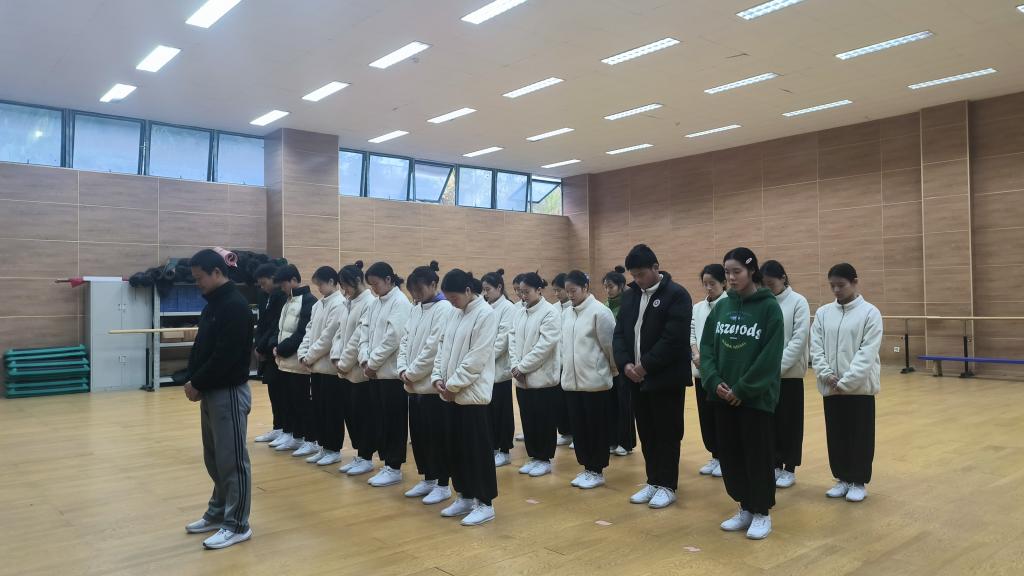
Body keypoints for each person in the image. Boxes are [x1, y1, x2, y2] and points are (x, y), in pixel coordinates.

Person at [700, 247, 784, 540]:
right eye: (727, 272)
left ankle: (762, 512)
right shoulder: (722, 307)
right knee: (731, 455)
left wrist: (743, 389)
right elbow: (707, 348)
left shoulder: (769, 308)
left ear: (751, 271)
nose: (732, 277)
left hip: (754, 399)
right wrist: (713, 380)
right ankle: (745, 507)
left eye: (737, 271)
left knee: (757, 456)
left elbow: (770, 356)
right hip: (722, 396)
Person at [181, 248, 255, 550]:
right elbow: (202, 347)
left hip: (229, 392)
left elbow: (226, 355)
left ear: (216, 272)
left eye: (200, 277)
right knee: (214, 458)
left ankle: (237, 524)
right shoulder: (213, 304)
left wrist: (198, 381)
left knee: (232, 460)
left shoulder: (235, 306)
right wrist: (192, 378)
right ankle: (218, 512)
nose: (197, 283)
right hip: (211, 390)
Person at [613, 244, 692, 509]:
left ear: (656, 268)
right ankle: (653, 480)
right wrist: (625, 364)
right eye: (633, 275)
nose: (637, 280)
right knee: (646, 431)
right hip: (635, 378)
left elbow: (673, 339)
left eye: (641, 274)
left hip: (665, 378)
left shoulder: (676, 295)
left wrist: (644, 366)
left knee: (667, 432)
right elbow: (619, 334)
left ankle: (668, 485)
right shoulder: (630, 296)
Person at [431, 269, 500, 526]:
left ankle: (485, 502)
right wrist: (437, 377)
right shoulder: (453, 313)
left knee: (476, 450)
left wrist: (453, 385)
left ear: (469, 291)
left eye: (454, 298)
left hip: (472, 395)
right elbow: (442, 347)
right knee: (456, 448)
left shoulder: (486, 314)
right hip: (449, 393)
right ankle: (465, 495)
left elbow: (477, 358)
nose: (451, 302)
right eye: (448, 298)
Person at [811, 263, 882, 504]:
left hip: (859, 389)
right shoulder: (823, 313)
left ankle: (858, 481)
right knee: (836, 434)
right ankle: (841, 478)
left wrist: (847, 381)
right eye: (832, 286)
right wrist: (826, 374)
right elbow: (816, 346)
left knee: (860, 435)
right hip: (831, 386)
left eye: (841, 285)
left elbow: (867, 352)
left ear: (855, 282)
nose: (836, 290)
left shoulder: (870, 313)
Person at [398, 261, 455, 505]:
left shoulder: (444, 309)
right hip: (412, 384)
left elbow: (433, 348)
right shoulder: (416, 308)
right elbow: (405, 340)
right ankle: (428, 478)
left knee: (436, 437)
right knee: (420, 436)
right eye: (412, 292)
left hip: (431, 386)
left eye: (419, 290)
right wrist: (402, 368)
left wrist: (411, 372)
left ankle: (442, 484)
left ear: (433, 285)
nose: (416, 295)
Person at [561, 270, 617, 489]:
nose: (570, 295)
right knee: (580, 429)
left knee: (596, 429)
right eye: (567, 291)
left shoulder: (600, 312)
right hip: (572, 383)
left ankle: (597, 470)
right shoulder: (566, 313)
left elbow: (610, 346)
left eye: (573, 291)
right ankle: (587, 468)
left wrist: (611, 370)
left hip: (595, 383)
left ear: (585, 288)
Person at [359, 262, 413, 487]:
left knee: (394, 422)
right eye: (370, 285)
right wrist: (364, 358)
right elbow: (364, 331)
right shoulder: (375, 303)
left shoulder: (400, 302)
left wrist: (372, 362)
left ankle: (394, 466)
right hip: (374, 372)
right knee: (379, 419)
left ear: (389, 280)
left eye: (376, 284)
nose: (373, 289)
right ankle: (386, 464)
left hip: (390, 374)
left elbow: (394, 338)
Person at [762, 260, 810, 489]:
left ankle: (789, 468)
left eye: (771, 284)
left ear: (783, 278)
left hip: (789, 376)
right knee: (769, 423)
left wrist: (775, 369)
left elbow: (798, 341)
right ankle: (773, 464)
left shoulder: (798, 302)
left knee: (790, 424)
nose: (767, 288)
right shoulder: (763, 302)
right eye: (763, 284)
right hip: (765, 377)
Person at [509, 272, 562, 477]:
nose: (522, 296)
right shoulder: (520, 312)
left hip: (542, 379)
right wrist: (515, 365)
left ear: (539, 290)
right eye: (520, 292)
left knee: (544, 420)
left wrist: (522, 367)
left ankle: (545, 459)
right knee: (528, 419)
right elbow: (512, 339)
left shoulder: (550, 313)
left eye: (526, 292)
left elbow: (545, 346)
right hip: (522, 378)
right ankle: (534, 456)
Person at [330, 261, 376, 475]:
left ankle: (366, 457)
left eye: (346, 285)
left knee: (363, 417)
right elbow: (339, 333)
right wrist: (335, 356)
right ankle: (360, 455)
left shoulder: (369, 302)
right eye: (341, 286)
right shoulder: (347, 303)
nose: (344, 290)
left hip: (358, 372)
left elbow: (359, 337)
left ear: (358, 280)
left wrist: (344, 363)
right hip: (344, 370)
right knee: (350, 415)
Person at [297, 266, 346, 466]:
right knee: (319, 409)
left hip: (330, 369)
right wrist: (303, 353)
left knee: (332, 411)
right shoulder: (318, 305)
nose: (319, 288)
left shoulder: (340, 304)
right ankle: (324, 446)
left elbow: (328, 338)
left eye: (321, 284)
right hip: (316, 367)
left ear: (333, 282)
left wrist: (309, 357)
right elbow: (309, 331)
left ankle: (334, 449)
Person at [272, 265, 317, 457]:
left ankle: (310, 439)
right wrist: (276, 346)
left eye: (283, 284)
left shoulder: (308, 300)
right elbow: (281, 329)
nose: (282, 288)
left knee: (302, 403)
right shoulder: (288, 300)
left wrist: (282, 349)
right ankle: (295, 436)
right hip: (284, 362)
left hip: (299, 363)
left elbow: (303, 332)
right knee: (289, 402)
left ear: (293, 280)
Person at [691, 264, 728, 477]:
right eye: (705, 284)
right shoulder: (698, 307)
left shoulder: (730, 305)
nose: (708, 288)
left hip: (720, 373)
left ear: (723, 283)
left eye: (712, 283)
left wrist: (707, 361)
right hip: (700, 370)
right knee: (706, 417)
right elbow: (692, 333)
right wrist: (696, 354)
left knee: (721, 417)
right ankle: (715, 455)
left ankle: (726, 456)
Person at [481, 269, 517, 467]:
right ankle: (492, 446)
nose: (485, 293)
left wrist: (482, 360)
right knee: (488, 412)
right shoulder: (486, 307)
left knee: (502, 412)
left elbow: (502, 340)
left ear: (499, 288)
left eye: (488, 289)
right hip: (485, 370)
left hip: (500, 370)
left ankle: (504, 449)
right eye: (484, 290)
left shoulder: (508, 308)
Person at [253, 263, 288, 445]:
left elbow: (276, 325)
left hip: (276, 349)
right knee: (273, 391)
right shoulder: (263, 296)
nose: (262, 287)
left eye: (264, 283)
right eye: (260, 284)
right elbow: (262, 323)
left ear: (274, 279)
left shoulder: (282, 296)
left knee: (282, 392)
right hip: (265, 348)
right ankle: (278, 427)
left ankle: (286, 429)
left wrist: (263, 347)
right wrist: (257, 345)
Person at [603, 265, 635, 456]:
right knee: (610, 402)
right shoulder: (604, 306)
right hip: (607, 361)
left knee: (625, 403)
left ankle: (626, 442)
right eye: (606, 287)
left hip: (624, 360)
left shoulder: (628, 304)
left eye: (611, 286)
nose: (608, 290)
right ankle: (612, 439)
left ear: (621, 286)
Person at [551, 272, 574, 448]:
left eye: (559, 290)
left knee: (572, 401)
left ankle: (576, 433)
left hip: (571, 361)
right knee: (559, 402)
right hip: (556, 362)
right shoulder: (553, 309)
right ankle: (565, 432)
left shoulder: (573, 307)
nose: (557, 294)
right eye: (555, 291)